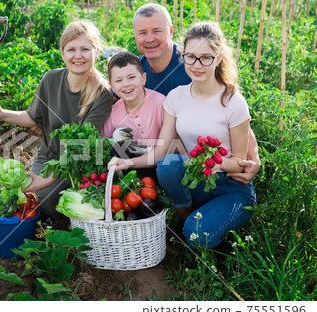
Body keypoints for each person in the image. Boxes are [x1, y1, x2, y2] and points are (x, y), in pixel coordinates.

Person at [109, 22, 256, 249]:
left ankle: (205, 229)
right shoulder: (176, 98)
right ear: (183, 56)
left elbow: (239, 162)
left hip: (231, 187)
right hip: (197, 182)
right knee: (169, 164)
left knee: (197, 236)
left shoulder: (232, 102)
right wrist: (126, 162)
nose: (197, 65)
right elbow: (160, 152)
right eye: (191, 57)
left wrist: (218, 163)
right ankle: (186, 217)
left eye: (206, 57)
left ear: (218, 58)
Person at [0, 20, 113, 225]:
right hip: (48, 157)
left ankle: (60, 220)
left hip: (80, 163)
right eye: (71, 49)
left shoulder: (102, 93)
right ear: (62, 53)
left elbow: (83, 146)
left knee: (53, 201)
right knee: (27, 199)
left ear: (96, 53)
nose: (78, 56)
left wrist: (48, 180)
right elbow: (32, 117)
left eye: (84, 49)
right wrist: (1, 113)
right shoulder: (50, 79)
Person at [132, 3, 260, 183]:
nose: (150, 38)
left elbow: (234, 114)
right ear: (135, 35)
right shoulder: (135, 72)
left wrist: (254, 158)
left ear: (170, 31)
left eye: (156, 31)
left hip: (195, 159)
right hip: (164, 156)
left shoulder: (193, 64)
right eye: (142, 33)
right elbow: (114, 98)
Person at [101, 51, 165, 181]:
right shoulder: (113, 113)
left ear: (143, 78)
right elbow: (103, 145)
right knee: (116, 148)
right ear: (111, 86)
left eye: (131, 77)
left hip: (161, 167)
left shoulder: (161, 103)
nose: (126, 84)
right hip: (129, 173)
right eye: (118, 80)